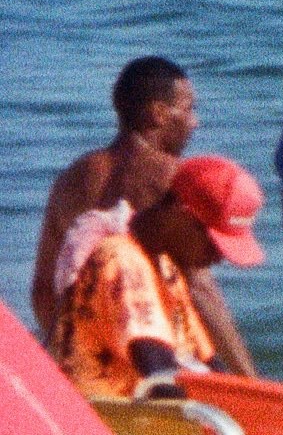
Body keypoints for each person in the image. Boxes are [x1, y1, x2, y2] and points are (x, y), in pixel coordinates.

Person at [47, 141, 262, 402]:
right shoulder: (121, 260)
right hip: (101, 418)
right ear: (178, 214)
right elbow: (160, 379)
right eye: (213, 243)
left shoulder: (165, 266)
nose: (219, 257)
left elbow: (208, 362)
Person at [30, 58, 199, 347]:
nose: (194, 121)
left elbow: (43, 291)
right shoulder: (174, 177)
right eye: (188, 109)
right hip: (156, 359)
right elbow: (200, 290)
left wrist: (76, 348)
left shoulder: (70, 178)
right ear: (158, 113)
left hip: (82, 357)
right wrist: (249, 378)